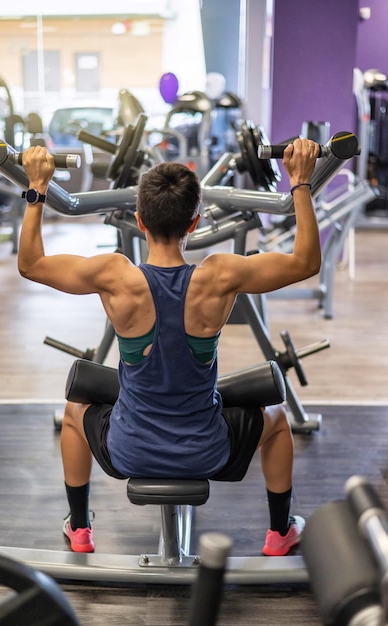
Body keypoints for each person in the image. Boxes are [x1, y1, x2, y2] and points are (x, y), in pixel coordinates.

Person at [19, 138, 320, 556]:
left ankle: (81, 528)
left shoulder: (114, 275)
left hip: (129, 450)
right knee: (277, 417)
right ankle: (279, 531)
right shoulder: (220, 275)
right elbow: (306, 262)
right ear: (194, 223)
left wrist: (37, 188)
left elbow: (31, 264)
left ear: (139, 221)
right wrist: (300, 183)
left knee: (74, 412)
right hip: (208, 451)